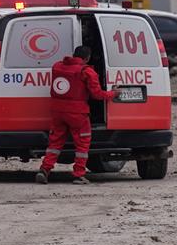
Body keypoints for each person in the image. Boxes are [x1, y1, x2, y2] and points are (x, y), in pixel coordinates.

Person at [35, 46, 117, 185]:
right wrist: (114, 93)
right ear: (87, 58)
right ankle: (78, 174)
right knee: (82, 145)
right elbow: (97, 95)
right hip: (77, 113)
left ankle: (44, 170)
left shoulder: (57, 67)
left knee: (55, 143)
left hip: (58, 111)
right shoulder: (87, 72)